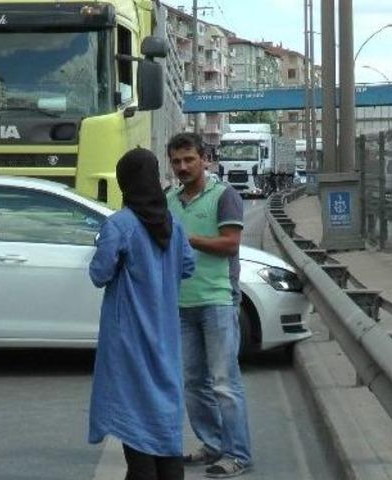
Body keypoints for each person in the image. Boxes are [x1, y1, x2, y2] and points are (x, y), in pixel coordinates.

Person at [88, 148, 195, 480]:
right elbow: (188, 266)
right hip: (164, 334)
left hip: (129, 338)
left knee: (133, 414)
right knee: (163, 414)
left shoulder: (120, 224)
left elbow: (99, 273)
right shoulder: (172, 225)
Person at [165, 132, 253, 478]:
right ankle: (213, 445)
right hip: (181, 303)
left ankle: (238, 454)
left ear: (205, 159)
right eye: (176, 161)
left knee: (224, 383)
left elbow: (231, 243)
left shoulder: (224, 195)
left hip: (217, 300)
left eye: (189, 159)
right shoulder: (169, 198)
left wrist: (186, 240)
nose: (183, 167)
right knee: (193, 382)